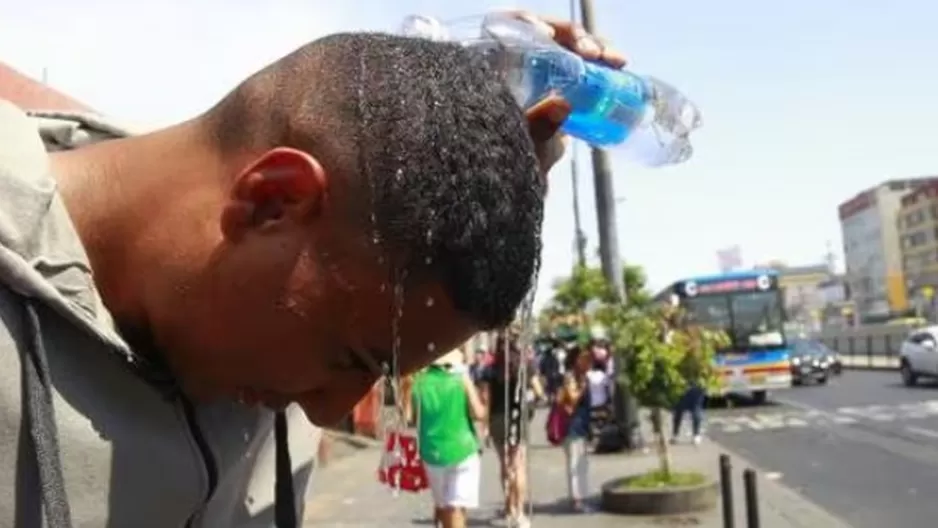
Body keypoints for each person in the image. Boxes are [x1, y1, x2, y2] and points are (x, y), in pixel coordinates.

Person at [0, 11, 626, 527]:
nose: (328, 413)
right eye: (350, 359)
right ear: (272, 200)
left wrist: (457, 121)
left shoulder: (272, 309)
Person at [408, 353, 486, 528]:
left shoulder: (418, 383)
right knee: (456, 506)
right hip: (463, 449)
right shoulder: (461, 379)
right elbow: (479, 413)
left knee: (444, 505)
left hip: (432, 452)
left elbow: (411, 417)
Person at [479, 334, 545, 527]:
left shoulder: (489, 371)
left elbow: (486, 401)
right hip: (517, 420)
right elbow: (540, 392)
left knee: (505, 466)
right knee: (519, 466)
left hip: (497, 421)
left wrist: (484, 428)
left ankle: (510, 509)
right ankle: (521, 514)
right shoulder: (525, 367)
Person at [557, 346, 593, 513]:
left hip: (581, 425)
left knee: (581, 463)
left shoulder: (582, 377)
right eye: (584, 359)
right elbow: (572, 398)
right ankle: (577, 500)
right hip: (572, 426)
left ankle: (580, 497)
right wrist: (583, 387)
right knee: (574, 463)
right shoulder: (571, 377)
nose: (588, 362)